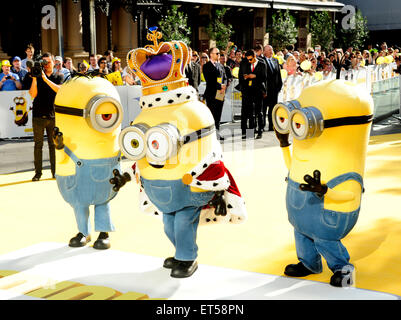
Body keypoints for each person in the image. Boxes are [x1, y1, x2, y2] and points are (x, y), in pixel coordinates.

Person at [29, 52, 64, 181]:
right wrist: (34, 78)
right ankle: (38, 173)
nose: (46, 64)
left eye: (48, 62)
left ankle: (55, 172)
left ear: (54, 62)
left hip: (53, 116)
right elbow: (32, 94)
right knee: (38, 145)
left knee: (53, 145)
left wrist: (45, 79)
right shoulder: (37, 76)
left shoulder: (58, 76)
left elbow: (59, 90)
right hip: (38, 116)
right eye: (44, 62)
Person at [241, 49, 267, 140]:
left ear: (255, 56)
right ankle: (250, 132)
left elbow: (264, 77)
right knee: (250, 113)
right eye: (248, 59)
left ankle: (260, 131)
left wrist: (255, 76)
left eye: (251, 59)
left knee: (259, 112)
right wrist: (246, 77)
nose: (249, 61)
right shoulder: (246, 64)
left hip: (258, 90)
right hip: (249, 90)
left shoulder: (262, 64)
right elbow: (243, 75)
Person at [202, 47, 227, 140]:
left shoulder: (220, 65)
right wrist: (220, 86)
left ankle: (217, 132)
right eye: (216, 53)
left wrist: (224, 85)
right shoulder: (206, 66)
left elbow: (225, 76)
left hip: (220, 93)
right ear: (211, 54)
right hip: (211, 93)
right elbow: (210, 80)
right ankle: (210, 134)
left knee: (218, 114)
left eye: (219, 53)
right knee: (212, 113)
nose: (218, 55)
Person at [261, 45, 283, 131]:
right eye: (269, 50)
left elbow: (278, 75)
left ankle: (271, 125)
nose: (271, 51)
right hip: (265, 91)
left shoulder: (275, 61)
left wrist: (279, 86)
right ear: (264, 52)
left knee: (273, 110)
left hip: (274, 91)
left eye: (272, 49)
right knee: (263, 109)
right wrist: (263, 90)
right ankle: (262, 126)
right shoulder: (261, 61)